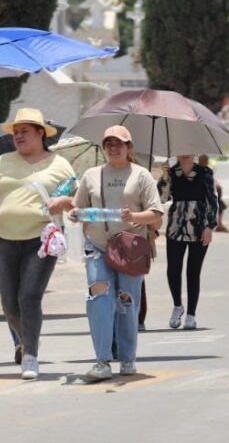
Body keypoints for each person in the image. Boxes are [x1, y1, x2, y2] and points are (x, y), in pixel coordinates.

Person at [0, 108, 75, 380]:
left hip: (41, 240)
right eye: (16, 133)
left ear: (40, 133)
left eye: (25, 132)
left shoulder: (59, 165)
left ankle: (30, 354)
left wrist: (63, 202)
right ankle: (28, 337)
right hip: (5, 240)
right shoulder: (2, 162)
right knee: (9, 302)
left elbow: (76, 198)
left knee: (29, 296)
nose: (18, 137)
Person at [70, 126, 164, 382]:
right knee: (99, 298)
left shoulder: (142, 175)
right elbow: (78, 207)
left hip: (130, 249)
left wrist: (132, 216)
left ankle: (127, 357)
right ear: (103, 147)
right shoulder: (91, 175)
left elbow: (156, 215)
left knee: (126, 302)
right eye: (109, 143)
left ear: (129, 147)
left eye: (119, 143)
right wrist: (75, 215)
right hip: (98, 246)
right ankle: (101, 360)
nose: (114, 148)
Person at [164, 154, 218, 328]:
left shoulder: (205, 172)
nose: (185, 153)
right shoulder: (171, 172)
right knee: (173, 269)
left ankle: (191, 314)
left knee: (193, 272)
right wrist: (164, 178)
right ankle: (178, 306)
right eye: (181, 149)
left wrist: (210, 226)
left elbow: (213, 200)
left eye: (189, 149)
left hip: (199, 226)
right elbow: (163, 198)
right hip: (176, 227)